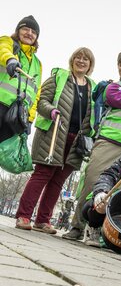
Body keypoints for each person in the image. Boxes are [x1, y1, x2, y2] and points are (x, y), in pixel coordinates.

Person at [63, 51, 121, 241]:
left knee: (119, 191)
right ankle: (77, 226)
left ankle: (102, 232)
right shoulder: (113, 88)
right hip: (109, 143)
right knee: (92, 182)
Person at [14, 47, 96, 232]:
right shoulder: (59, 77)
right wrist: (51, 111)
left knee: (58, 181)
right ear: (72, 59)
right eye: (78, 57)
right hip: (53, 134)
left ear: (90, 64)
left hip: (77, 141)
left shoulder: (92, 87)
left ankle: (43, 220)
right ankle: (23, 216)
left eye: (86, 59)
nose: (81, 61)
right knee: (42, 174)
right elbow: (41, 100)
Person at [0, 16, 42, 143]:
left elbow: (36, 93)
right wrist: (10, 59)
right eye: (26, 29)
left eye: (34, 32)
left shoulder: (37, 64)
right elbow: (3, 49)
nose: (29, 33)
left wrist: (29, 119)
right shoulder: (8, 42)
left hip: (17, 115)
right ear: (18, 31)